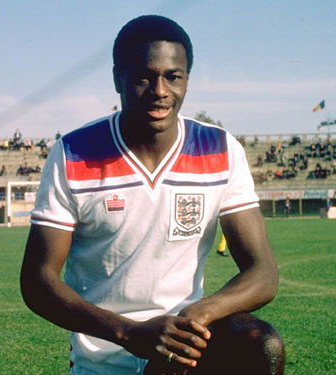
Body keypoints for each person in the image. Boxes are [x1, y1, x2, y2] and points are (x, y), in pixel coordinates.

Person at [20, 15, 284, 375]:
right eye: (144, 77)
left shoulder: (220, 149)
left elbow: (263, 272)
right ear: (118, 78)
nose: (160, 90)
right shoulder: (74, 153)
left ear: (187, 79)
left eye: (173, 76)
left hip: (184, 352)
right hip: (106, 356)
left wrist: (196, 315)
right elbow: (37, 280)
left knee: (261, 345)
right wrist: (128, 332)